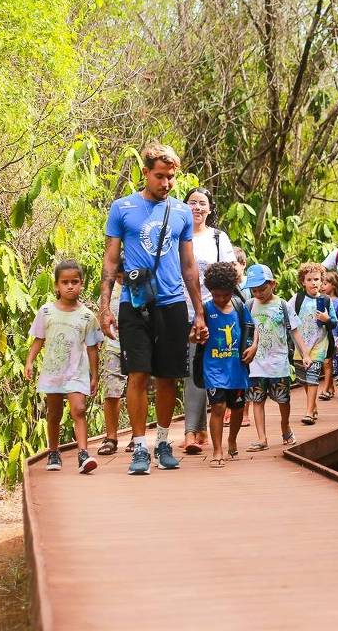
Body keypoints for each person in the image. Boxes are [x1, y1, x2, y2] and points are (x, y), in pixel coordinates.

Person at [99, 143, 207, 476]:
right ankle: (140, 446)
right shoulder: (122, 208)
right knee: (138, 374)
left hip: (173, 304)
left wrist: (199, 312)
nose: (166, 184)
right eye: (160, 176)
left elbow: (189, 265)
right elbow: (111, 260)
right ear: (145, 173)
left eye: (171, 177)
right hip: (135, 303)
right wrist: (105, 305)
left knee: (167, 376)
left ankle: (162, 441)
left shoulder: (181, 212)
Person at [25, 260, 103, 474]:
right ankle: (53, 451)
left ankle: (83, 454)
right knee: (54, 413)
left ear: (82, 284)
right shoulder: (46, 311)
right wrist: (29, 361)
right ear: (57, 286)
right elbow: (39, 339)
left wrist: (94, 376)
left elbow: (92, 348)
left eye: (75, 282)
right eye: (65, 282)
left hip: (76, 372)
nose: (70, 286)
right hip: (53, 372)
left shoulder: (87, 316)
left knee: (79, 410)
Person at [181, 186, 237, 455]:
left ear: (210, 208)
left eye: (202, 203)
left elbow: (232, 272)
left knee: (202, 369)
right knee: (187, 370)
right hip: (180, 310)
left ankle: (195, 430)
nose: (197, 208)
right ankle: (195, 430)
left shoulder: (218, 238)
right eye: (192, 203)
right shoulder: (177, 235)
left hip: (211, 312)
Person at [243, 263, 307, 449]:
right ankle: (262, 438)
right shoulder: (249, 306)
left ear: (273, 284)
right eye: (254, 290)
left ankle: (285, 426)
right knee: (257, 400)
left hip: (278, 363)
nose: (259, 293)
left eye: (262, 289)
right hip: (256, 364)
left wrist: (305, 355)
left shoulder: (283, 305)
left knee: (283, 399)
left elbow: (294, 332)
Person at [197, 262, 254, 468]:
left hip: (236, 368)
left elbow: (252, 328)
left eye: (225, 295)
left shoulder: (239, 306)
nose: (220, 299)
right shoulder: (204, 308)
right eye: (216, 295)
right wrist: (198, 336)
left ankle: (232, 439)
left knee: (237, 408)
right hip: (213, 368)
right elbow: (193, 335)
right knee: (218, 407)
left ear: (232, 290)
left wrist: (253, 347)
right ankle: (217, 450)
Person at [289, 262, 336, 425]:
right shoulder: (297, 299)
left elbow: (334, 323)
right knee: (303, 379)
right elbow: (287, 319)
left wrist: (327, 319)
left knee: (313, 375)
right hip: (301, 346)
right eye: (309, 279)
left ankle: (308, 412)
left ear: (322, 281)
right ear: (303, 281)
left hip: (319, 345)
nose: (313, 282)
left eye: (316, 279)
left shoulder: (326, 300)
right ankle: (313, 405)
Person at [97, 268, 127, 455]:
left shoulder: (139, 288)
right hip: (112, 347)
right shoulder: (108, 293)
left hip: (135, 347)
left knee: (136, 389)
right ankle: (111, 437)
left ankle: (135, 437)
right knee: (111, 392)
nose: (122, 279)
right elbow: (101, 319)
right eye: (119, 276)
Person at [322, 269, 338, 393]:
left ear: (333, 285)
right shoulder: (320, 299)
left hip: (335, 335)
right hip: (322, 335)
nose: (322, 286)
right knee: (326, 362)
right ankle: (330, 386)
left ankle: (328, 387)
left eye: (325, 283)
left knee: (330, 361)